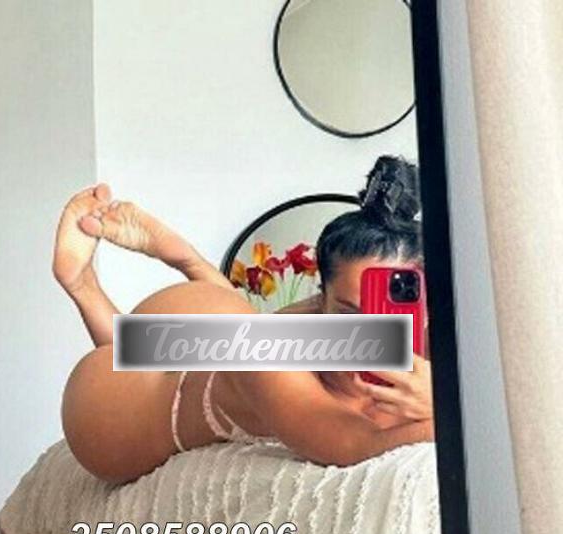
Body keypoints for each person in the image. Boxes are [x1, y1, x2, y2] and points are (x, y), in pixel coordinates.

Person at [54, 157, 434, 484]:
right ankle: (83, 283)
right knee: (247, 342)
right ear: (322, 301)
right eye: (350, 313)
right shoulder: (277, 357)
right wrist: (443, 408)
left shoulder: (432, 355)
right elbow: (356, 444)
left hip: (195, 334)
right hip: (117, 398)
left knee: (242, 331)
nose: (370, 337)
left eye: (389, 312)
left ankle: (184, 260)